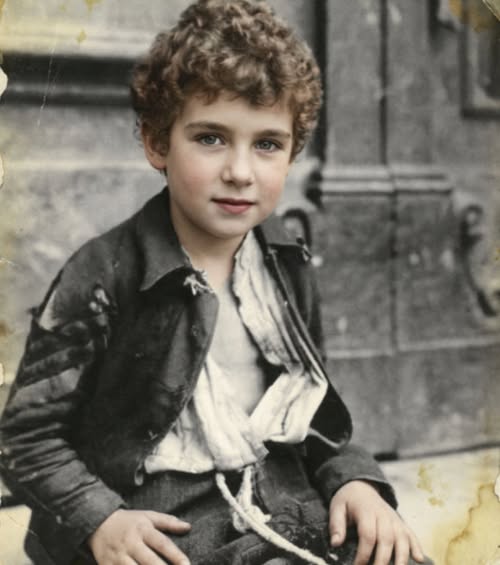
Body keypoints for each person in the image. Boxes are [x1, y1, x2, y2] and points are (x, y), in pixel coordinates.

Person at [0, 1, 429, 564]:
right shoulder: (103, 272)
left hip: (279, 491)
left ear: (292, 154)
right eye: (210, 138)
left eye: (267, 144)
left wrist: (354, 480)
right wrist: (98, 519)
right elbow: (25, 437)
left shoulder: (285, 262)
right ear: (157, 142)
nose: (240, 172)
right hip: (156, 513)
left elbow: (314, 413)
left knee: (393, 553)